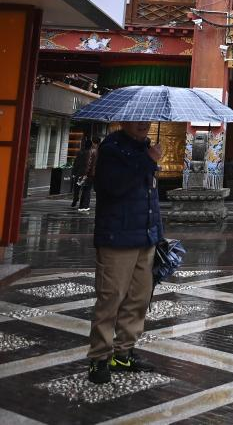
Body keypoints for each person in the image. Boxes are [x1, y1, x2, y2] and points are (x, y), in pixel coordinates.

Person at [87, 121, 163, 385]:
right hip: (117, 237)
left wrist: (159, 235)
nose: (144, 124)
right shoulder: (111, 149)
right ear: (123, 122)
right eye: (137, 119)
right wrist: (148, 161)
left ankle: (124, 352)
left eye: (147, 120)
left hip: (145, 236)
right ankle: (99, 357)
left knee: (139, 299)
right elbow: (112, 188)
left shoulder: (146, 148)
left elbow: (150, 197)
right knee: (111, 298)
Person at [76, 136, 101, 212]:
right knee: (87, 189)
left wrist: (85, 173)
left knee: (86, 189)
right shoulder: (99, 151)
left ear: (93, 142)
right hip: (95, 174)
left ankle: (83, 206)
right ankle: (84, 205)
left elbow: (88, 163)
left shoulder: (92, 151)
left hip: (89, 174)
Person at [70, 137, 92, 209]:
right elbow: (89, 164)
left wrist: (74, 172)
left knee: (77, 187)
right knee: (85, 189)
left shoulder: (80, 152)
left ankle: (75, 198)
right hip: (85, 174)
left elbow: (76, 163)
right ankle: (83, 204)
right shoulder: (90, 153)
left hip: (79, 173)